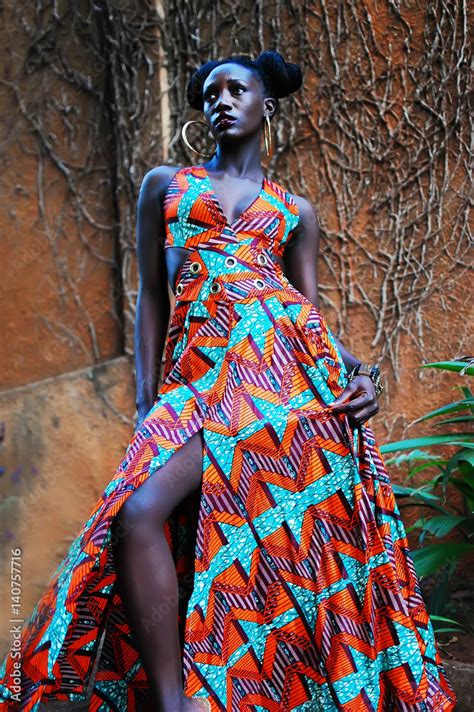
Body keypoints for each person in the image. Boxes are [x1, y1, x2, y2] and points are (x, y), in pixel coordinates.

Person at [0, 51, 457, 712]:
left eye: (236, 89)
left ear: (266, 105)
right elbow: (151, 298)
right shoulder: (168, 184)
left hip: (281, 386)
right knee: (139, 512)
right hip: (198, 384)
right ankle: (172, 701)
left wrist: (360, 373)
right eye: (210, 93)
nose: (220, 100)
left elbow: (309, 314)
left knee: (283, 549)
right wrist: (146, 401)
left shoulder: (294, 209)